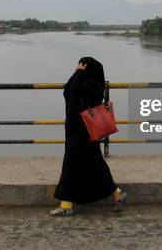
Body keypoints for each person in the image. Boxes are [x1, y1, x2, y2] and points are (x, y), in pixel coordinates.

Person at [50, 56, 127, 216]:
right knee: (94, 164)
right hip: (76, 130)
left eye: (82, 65)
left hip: (84, 130)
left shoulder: (93, 85)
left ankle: (66, 205)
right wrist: (77, 74)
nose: (79, 68)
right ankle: (117, 193)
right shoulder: (85, 82)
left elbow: (73, 89)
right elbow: (67, 90)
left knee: (71, 163)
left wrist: (77, 73)